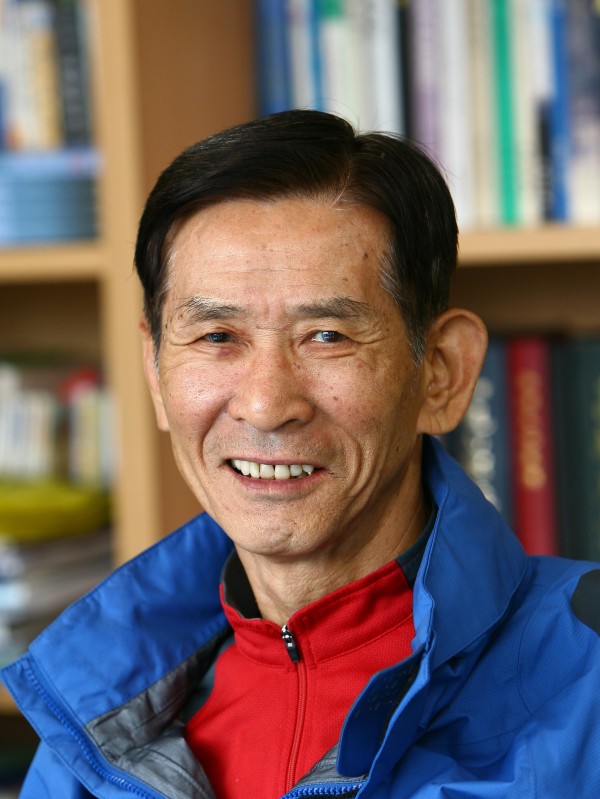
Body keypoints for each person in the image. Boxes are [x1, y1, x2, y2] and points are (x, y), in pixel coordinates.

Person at [2, 110, 600, 799]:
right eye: (217, 337)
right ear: (156, 373)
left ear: (441, 372)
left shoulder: (586, 679)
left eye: (326, 336)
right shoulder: (90, 736)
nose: (265, 404)